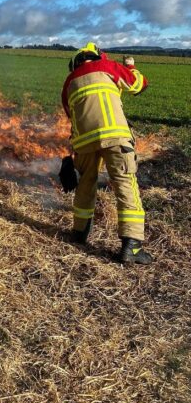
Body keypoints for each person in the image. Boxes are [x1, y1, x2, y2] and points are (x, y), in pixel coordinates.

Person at [61, 42, 152, 264]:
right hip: (115, 137)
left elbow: (69, 113)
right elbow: (139, 85)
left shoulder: (69, 82)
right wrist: (131, 67)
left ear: (77, 61)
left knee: (85, 185)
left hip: (83, 142)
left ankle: (79, 233)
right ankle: (132, 247)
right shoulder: (108, 67)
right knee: (125, 184)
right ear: (97, 55)